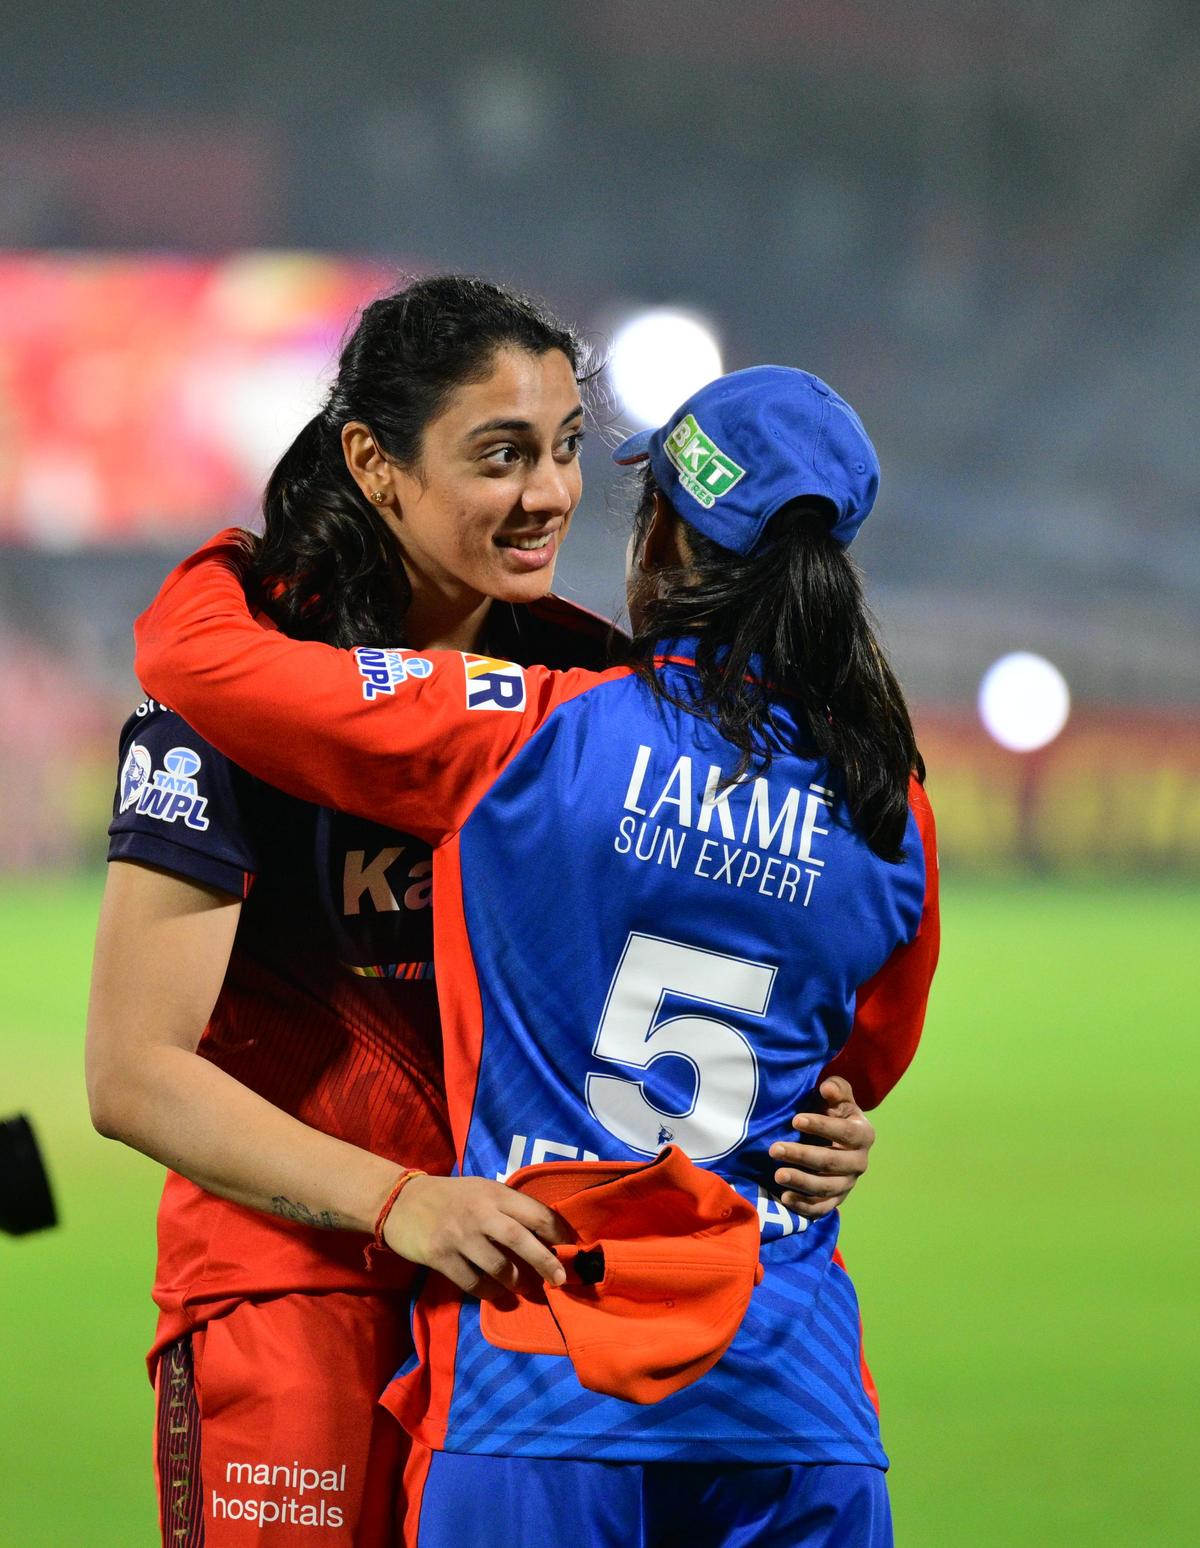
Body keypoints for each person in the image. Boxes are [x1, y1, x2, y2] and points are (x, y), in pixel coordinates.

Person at [89, 284, 879, 1546]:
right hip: (296, 1293)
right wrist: (403, 1200)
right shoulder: (231, 702)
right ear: (374, 463)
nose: (552, 494)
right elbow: (132, 1076)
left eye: (568, 447)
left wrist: (813, 1121)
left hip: (533, 1318)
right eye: (500, 455)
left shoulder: (587, 686)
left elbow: (714, 967)